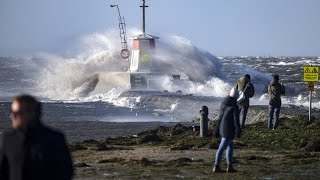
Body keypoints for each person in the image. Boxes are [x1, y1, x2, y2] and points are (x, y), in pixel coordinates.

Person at [0, 95, 74, 180]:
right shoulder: (9, 138)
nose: (13, 117)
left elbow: (66, 171)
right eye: (12, 112)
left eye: (17, 113)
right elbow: (3, 170)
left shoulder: (53, 138)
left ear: (32, 114)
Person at [213, 88, 241, 173]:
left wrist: (217, 129)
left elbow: (220, 116)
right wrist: (238, 130)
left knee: (230, 147)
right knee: (222, 148)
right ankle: (216, 166)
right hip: (228, 129)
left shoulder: (224, 103)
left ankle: (230, 166)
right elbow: (236, 120)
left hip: (221, 126)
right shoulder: (234, 106)